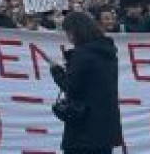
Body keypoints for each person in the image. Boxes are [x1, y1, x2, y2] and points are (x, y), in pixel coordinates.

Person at [50, 11, 121, 154]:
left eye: (68, 33)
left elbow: (71, 87)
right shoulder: (108, 53)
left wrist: (56, 71)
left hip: (84, 130)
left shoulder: (81, 55)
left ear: (75, 32)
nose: (68, 38)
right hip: (105, 129)